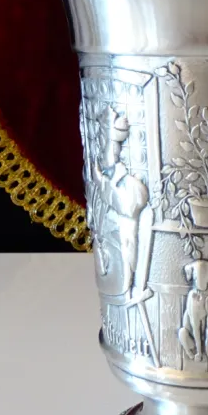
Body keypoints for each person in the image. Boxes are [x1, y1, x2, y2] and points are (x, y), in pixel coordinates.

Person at [92, 108, 149, 294]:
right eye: (102, 142)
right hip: (106, 253)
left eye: (111, 144)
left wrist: (104, 185)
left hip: (122, 247)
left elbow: (128, 207)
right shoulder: (101, 176)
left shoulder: (130, 185)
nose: (105, 149)